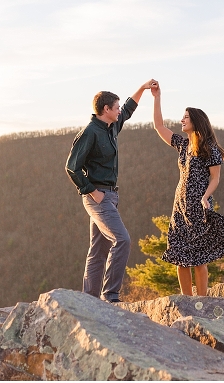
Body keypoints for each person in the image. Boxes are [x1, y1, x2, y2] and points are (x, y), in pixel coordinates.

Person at [66, 80, 157, 303]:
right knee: (122, 240)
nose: (119, 111)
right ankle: (111, 296)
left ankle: (89, 300)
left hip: (110, 197)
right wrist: (91, 192)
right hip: (98, 197)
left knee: (98, 252)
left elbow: (128, 108)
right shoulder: (90, 132)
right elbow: (72, 167)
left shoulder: (112, 126)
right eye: (115, 107)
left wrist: (144, 88)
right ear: (106, 110)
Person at [150, 82, 224, 296]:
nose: (182, 120)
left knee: (199, 258)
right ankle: (186, 300)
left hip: (198, 206)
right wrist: (157, 97)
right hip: (179, 207)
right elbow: (159, 126)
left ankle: (202, 302)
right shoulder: (183, 145)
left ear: (196, 121)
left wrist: (206, 197)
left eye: (185, 117)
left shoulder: (209, 149)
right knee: (180, 256)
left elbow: (215, 178)